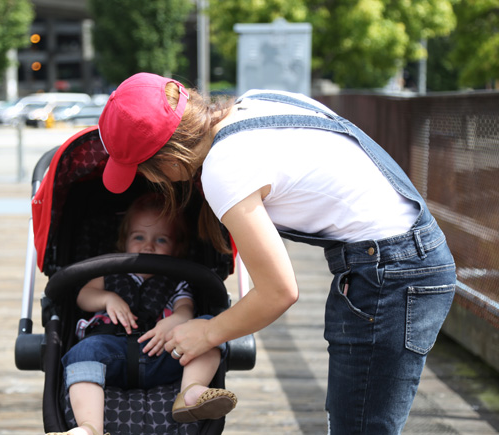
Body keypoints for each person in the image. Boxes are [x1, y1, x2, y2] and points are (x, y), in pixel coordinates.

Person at [96, 73, 457, 434]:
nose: (154, 181)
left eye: (146, 171)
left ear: (169, 159)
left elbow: (279, 291)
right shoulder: (256, 101)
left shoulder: (225, 167)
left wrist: (206, 334)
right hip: (402, 255)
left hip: (392, 271)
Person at [49, 193, 237, 435]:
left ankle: (190, 390)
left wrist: (175, 321)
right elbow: (83, 297)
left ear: (177, 248)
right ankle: (89, 428)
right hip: (109, 353)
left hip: (163, 353)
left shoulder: (178, 280)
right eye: (139, 237)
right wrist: (108, 298)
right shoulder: (107, 272)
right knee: (82, 351)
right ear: (124, 240)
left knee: (209, 328)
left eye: (161, 239)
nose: (148, 246)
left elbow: (185, 309)